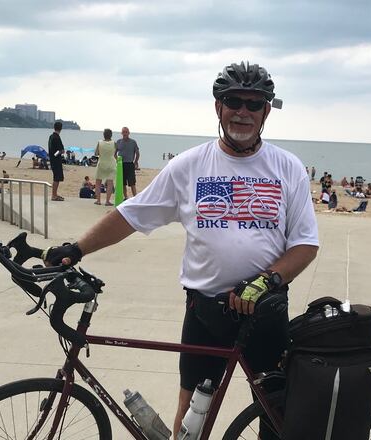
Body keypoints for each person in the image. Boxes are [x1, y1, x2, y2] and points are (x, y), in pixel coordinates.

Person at [42, 61, 319, 436]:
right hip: (205, 312)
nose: (243, 111)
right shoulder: (189, 165)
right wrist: (76, 248)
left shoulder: (288, 167)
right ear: (218, 107)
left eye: (254, 104)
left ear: (266, 112)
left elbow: (304, 244)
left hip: (264, 311)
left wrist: (268, 280)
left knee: (276, 415)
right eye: (233, 100)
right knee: (191, 414)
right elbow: (130, 215)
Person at [115, 127, 141, 197]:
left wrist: (135, 162)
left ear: (129, 133)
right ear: (121, 133)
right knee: (123, 183)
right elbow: (115, 153)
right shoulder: (118, 142)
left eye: (126, 132)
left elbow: (137, 153)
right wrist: (117, 160)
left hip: (130, 164)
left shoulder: (133, 142)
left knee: (132, 183)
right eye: (123, 132)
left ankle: (135, 197)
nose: (125, 133)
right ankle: (125, 197)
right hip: (121, 165)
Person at [94, 128, 116, 206]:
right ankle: (107, 201)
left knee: (98, 183)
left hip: (101, 163)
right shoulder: (114, 143)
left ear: (104, 135)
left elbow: (96, 153)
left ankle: (98, 200)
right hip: (111, 164)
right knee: (110, 183)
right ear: (111, 135)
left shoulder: (100, 142)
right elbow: (115, 154)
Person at [48, 121, 65, 201]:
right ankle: (54, 195)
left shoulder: (51, 136)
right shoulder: (56, 137)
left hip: (52, 159)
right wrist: (61, 152)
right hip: (56, 160)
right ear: (61, 128)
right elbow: (57, 151)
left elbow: (52, 150)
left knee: (56, 177)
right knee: (57, 178)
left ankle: (54, 194)